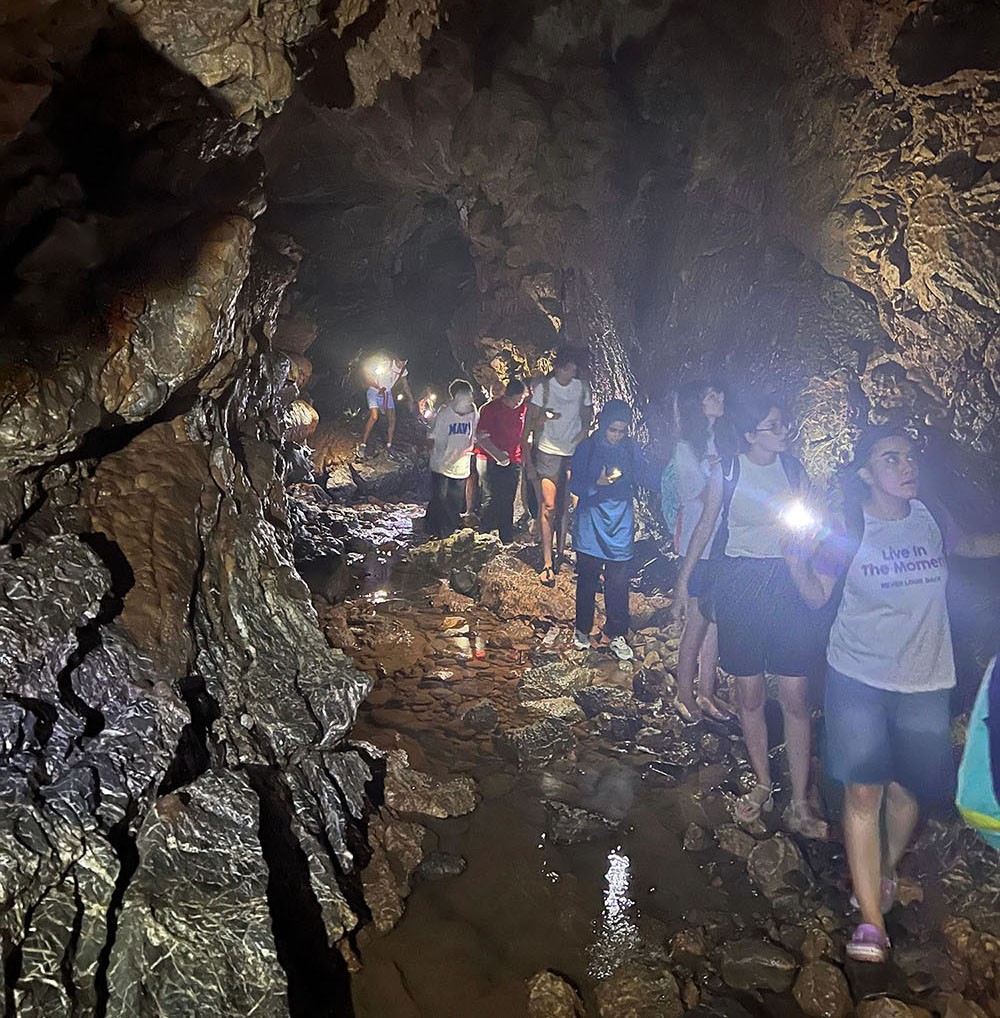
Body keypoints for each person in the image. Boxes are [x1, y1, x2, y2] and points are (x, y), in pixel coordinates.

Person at [785, 426, 1000, 962]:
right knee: (865, 793)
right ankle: (871, 923)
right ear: (865, 472)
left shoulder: (928, 515)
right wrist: (793, 560)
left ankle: (882, 870)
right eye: (890, 459)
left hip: (926, 678)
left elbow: (968, 545)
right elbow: (816, 595)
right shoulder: (849, 526)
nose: (907, 467)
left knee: (907, 792)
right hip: (859, 677)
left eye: (909, 458)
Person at [684, 394, 828, 838]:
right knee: (748, 693)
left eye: (783, 423)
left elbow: (815, 525)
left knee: (796, 694)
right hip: (740, 584)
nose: (784, 430)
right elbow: (706, 527)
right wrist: (683, 582)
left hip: (785, 582)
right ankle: (764, 782)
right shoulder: (727, 470)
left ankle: (800, 800)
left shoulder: (793, 471)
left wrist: (805, 548)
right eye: (773, 424)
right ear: (750, 435)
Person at [570, 399, 657, 662]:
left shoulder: (630, 448)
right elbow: (575, 484)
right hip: (592, 520)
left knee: (618, 580)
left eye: (622, 431)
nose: (617, 436)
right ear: (603, 424)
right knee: (587, 577)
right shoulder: (587, 447)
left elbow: (645, 475)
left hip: (619, 519)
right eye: (613, 430)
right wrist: (596, 483)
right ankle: (582, 630)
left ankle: (616, 632)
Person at [670, 380, 735, 723]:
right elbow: (691, 494)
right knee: (696, 619)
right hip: (697, 542)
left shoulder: (722, 441)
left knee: (714, 619)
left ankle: (706, 692)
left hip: (722, 542)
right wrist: (714, 473)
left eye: (720, 393)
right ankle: (683, 694)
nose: (719, 399)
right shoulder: (685, 447)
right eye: (712, 396)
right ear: (698, 404)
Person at [524, 348, 593, 586]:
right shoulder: (544, 389)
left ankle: (564, 552)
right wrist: (528, 461)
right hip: (548, 450)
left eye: (573, 368)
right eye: (567, 368)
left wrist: (583, 433)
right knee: (549, 506)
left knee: (569, 505)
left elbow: (588, 415)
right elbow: (530, 423)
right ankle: (547, 561)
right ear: (558, 367)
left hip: (573, 451)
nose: (570, 372)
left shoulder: (582, 388)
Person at [476, 379, 528, 544]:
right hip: (492, 460)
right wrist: (497, 454)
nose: (518, 403)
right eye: (516, 399)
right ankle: (484, 532)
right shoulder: (491, 409)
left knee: (508, 498)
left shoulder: (522, 409)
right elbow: (481, 436)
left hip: (514, 460)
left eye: (520, 399)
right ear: (508, 395)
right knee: (493, 497)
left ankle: (506, 536)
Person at [426, 380, 479, 538]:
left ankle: (447, 532)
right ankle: (434, 529)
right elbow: (432, 436)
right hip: (441, 464)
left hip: (461, 465)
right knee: (440, 498)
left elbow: (474, 436)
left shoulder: (474, 415)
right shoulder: (444, 413)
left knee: (454, 500)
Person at [358, 353, 413, 460]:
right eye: (399, 362)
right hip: (374, 391)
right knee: (374, 417)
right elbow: (367, 373)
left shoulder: (403, 371)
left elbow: (405, 385)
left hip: (387, 394)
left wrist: (410, 399)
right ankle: (362, 444)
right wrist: (378, 386)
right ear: (396, 359)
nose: (401, 364)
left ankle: (389, 445)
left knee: (392, 419)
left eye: (404, 362)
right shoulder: (386, 364)